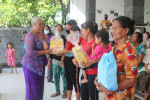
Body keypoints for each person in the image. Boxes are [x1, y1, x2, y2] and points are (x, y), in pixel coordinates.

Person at [94, 16, 138, 100]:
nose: (113, 32)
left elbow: (132, 80)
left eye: (116, 28)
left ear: (126, 30)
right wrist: (100, 79)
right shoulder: (114, 47)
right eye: (112, 29)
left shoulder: (129, 50)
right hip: (110, 95)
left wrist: (109, 89)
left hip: (122, 96)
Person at [21, 16, 52, 100]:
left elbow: (45, 45)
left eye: (43, 24)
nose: (42, 26)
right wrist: (45, 52)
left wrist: (53, 49)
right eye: (40, 25)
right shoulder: (29, 36)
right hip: (30, 66)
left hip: (40, 65)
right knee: (32, 89)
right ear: (33, 25)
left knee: (39, 87)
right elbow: (29, 52)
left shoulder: (42, 34)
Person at [72, 21, 99, 100]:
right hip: (84, 73)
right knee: (83, 96)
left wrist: (93, 61)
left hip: (94, 74)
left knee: (93, 97)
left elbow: (105, 58)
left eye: (82, 30)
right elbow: (78, 55)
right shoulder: (83, 42)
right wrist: (74, 60)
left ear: (88, 30)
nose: (81, 32)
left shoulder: (97, 42)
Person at [60, 24, 82, 100]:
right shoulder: (69, 38)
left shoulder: (80, 39)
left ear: (76, 32)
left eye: (71, 31)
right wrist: (62, 57)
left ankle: (77, 98)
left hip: (75, 60)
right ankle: (69, 98)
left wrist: (67, 51)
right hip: (67, 59)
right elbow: (66, 50)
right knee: (68, 79)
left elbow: (79, 51)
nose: (70, 33)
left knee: (75, 80)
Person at [50, 24, 67, 98]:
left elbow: (66, 50)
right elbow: (50, 51)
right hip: (55, 61)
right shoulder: (53, 39)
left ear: (62, 31)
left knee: (64, 77)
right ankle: (57, 91)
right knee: (56, 77)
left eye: (60, 30)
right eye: (57, 30)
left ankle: (65, 92)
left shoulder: (65, 39)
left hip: (63, 61)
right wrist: (49, 61)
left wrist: (63, 53)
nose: (58, 31)